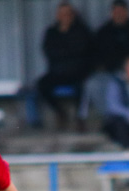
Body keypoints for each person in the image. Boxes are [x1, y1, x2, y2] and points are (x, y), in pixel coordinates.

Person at [79, 0, 129, 123]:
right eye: (116, 11)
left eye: (121, 11)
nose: (119, 14)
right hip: (112, 72)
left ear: (127, 12)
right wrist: (102, 66)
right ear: (111, 13)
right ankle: (108, 117)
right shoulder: (104, 31)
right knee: (93, 84)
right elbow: (92, 54)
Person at [36, 1, 92, 130]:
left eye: (68, 13)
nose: (65, 16)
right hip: (57, 71)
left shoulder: (81, 31)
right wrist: (67, 53)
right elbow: (49, 51)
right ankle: (60, 112)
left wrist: (65, 53)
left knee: (83, 87)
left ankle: (80, 118)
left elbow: (83, 51)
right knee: (42, 84)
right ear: (57, 16)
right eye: (62, 14)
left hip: (78, 71)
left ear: (73, 15)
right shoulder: (51, 32)